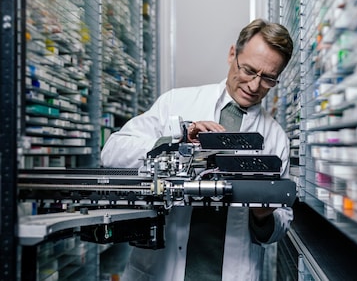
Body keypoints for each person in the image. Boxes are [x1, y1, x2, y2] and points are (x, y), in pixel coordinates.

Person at [101, 18, 294, 280]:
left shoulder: (275, 139)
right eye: (249, 70)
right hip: (161, 269)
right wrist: (175, 146)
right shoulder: (176, 102)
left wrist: (262, 215)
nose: (254, 86)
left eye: (269, 78)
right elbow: (112, 152)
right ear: (232, 55)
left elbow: (277, 229)